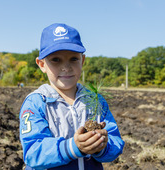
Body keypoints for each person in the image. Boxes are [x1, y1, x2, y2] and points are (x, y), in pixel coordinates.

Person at [19, 23, 125, 170]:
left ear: (82, 61)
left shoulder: (95, 100)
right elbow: (33, 153)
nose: (66, 67)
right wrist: (73, 147)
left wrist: (100, 146)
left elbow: (116, 143)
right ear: (41, 64)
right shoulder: (36, 103)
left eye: (73, 59)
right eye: (56, 59)